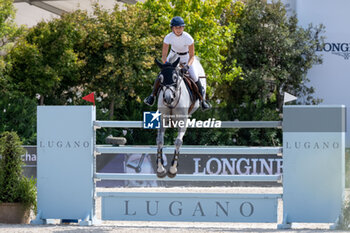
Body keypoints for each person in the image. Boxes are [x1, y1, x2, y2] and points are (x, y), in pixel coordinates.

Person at [144, 16, 211, 110]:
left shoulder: (188, 38)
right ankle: (152, 96)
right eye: (176, 27)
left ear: (183, 28)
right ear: (172, 28)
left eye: (180, 27)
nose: (178, 30)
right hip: (173, 56)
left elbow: (192, 56)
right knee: (161, 75)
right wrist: (167, 64)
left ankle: (202, 100)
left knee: (195, 77)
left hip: (186, 57)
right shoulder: (168, 37)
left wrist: (187, 66)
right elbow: (163, 56)